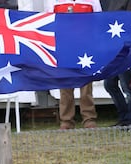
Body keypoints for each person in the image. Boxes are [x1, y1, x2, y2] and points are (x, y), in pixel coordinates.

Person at [44, 0, 101, 130]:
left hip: (86, 47)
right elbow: (47, 22)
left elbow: (99, 21)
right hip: (64, 47)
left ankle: (89, 118)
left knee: (86, 84)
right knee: (65, 84)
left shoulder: (92, 1)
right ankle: (66, 120)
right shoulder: (53, 1)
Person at [102, 0, 131, 127]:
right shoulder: (109, 3)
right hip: (112, 49)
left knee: (127, 85)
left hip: (125, 48)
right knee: (110, 84)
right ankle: (124, 117)